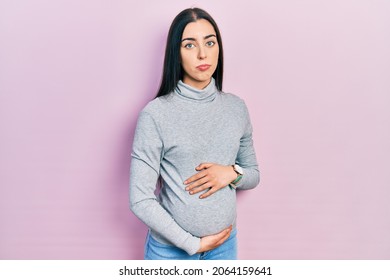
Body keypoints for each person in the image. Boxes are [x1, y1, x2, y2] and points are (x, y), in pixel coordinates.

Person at [129, 7, 260, 260]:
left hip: (225, 245)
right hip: (171, 252)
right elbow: (140, 199)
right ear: (176, 54)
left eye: (210, 42)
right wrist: (192, 244)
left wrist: (232, 173)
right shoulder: (155, 115)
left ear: (218, 48)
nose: (203, 53)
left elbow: (253, 173)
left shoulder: (236, 108)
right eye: (189, 45)